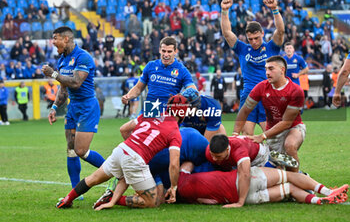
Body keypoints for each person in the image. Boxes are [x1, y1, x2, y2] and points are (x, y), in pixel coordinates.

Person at [56, 94, 188, 209]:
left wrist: (133, 146)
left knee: (93, 178)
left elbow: (124, 129)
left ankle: (67, 199)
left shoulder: (152, 112)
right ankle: (115, 199)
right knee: (152, 201)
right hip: (135, 159)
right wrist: (174, 187)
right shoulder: (175, 132)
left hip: (121, 149)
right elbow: (174, 164)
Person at [42, 26, 105, 193]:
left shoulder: (83, 57)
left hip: (87, 107)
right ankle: (75, 192)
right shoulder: (62, 59)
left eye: (55, 38)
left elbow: (76, 82)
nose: (53, 42)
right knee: (70, 149)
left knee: (81, 150)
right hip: (73, 107)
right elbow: (64, 88)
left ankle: (115, 172)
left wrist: (53, 74)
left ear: (66, 39)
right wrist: (54, 107)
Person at [93, 127, 215, 208]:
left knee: (157, 199)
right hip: (150, 168)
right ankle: (111, 198)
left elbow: (124, 129)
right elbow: (124, 129)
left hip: (159, 167)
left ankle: (112, 197)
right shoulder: (158, 147)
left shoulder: (188, 139)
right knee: (156, 201)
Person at [220, 0, 284, 135]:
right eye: (251, 39)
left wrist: (274, 9)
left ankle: (272, 156)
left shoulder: (271, 47)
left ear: (262, 33)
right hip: (248, 95)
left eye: (257, 38)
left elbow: (280, 31)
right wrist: (224, 11)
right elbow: (227, 33)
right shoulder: (243, 49)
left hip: (267, 95)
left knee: (272, 135)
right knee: (247, 136)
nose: (254, 42)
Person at [233, 56, 305, 172]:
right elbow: (245, 110)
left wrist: (262, 136)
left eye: (271, 69)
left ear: (282, 70)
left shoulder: (296, 91)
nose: (267, 72)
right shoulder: (261, 87)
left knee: (289, 146)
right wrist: (235, 133)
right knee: (278, 168)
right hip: (272, 132)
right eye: (266, 69)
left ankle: (297, 182)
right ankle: (299, 176)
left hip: (293, 128)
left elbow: (286, 123)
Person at [120, 36, 196, 140]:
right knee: (125, 130)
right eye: (163, 51)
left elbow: (193, 90)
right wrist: (128, 96)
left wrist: (182, 97)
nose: (166, 54)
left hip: (168, 112)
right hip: (151, 108)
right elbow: (138, 88)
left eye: (169, 51)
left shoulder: (182, 70)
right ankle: (135, 154)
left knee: (161, 144)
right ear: (159, 50)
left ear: (175, 51)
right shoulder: (151, 66)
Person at [177, 161, 349, 207]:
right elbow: (188, 164)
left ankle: (317, 201)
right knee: (287, 175)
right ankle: (327, 192)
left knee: (288, 189)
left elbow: (211, 202)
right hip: (245, 179)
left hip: (247, 198)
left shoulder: (191, 198)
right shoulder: (182, 179)